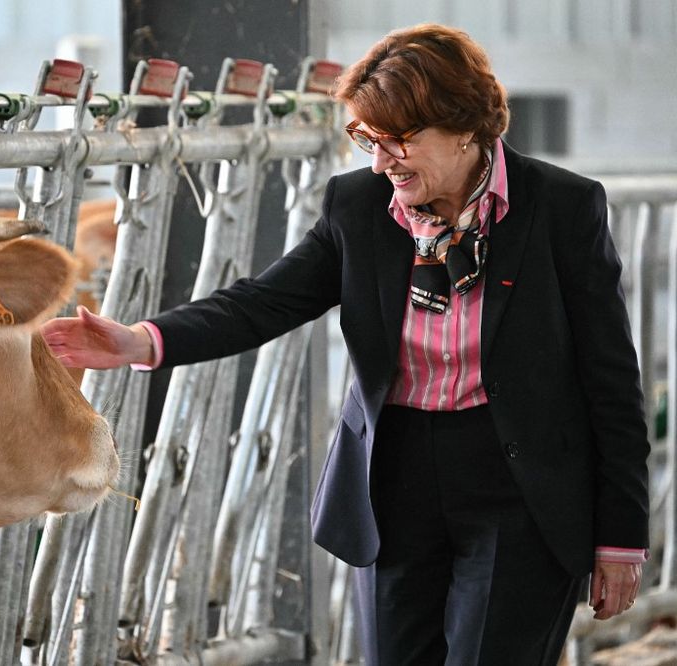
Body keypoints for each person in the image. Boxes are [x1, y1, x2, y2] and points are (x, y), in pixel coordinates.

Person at [41, 23, 650, 665]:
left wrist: (621, 537)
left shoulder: (561, 207)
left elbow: (610, 380)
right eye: (367, 139)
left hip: (521, 489)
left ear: (466, 126)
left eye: (399, 141)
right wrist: (141, 340)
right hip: (392, 478)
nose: (381, 163)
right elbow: (263, 301)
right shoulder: (358, 206)